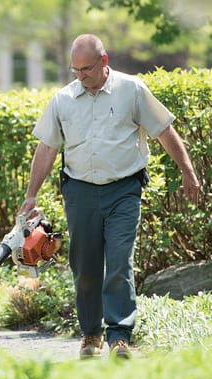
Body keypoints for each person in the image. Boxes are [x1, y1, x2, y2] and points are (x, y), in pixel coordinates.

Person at [19, 34, 200, 359]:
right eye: (75, 70)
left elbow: (163, 130)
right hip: (80, 192)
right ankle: (91, 334)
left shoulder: (132, 90)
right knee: (85, 267)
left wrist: (187, 170)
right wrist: (31, 195)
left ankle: (119, 336)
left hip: (123, 190)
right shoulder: (63, 99)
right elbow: (47, 147)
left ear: (104, 62)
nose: (80, 76)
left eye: (86, 69)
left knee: (119, 262)